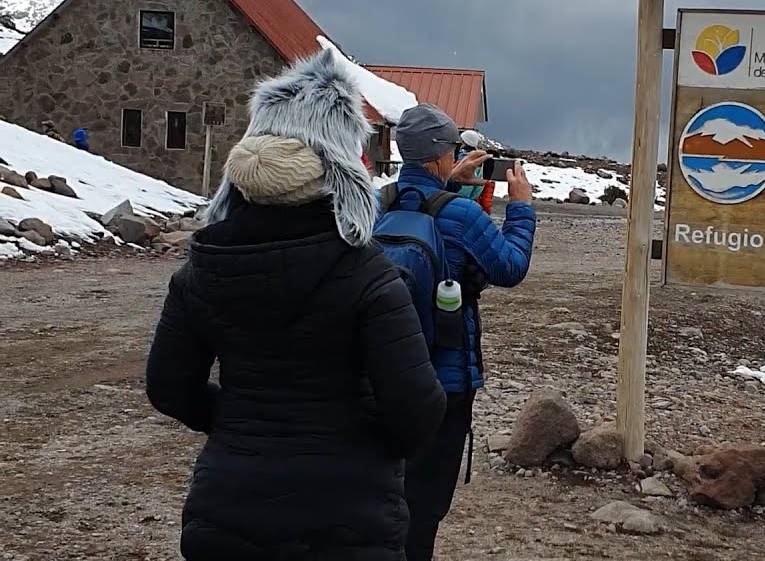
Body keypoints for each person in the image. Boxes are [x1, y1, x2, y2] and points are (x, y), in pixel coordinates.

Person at [144, 48, 448, 561]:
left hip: (228, 510)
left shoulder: (202, 269)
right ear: (341, 170)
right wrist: (363, 443)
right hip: (349, 517)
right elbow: (417, 410)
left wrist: (239, 422)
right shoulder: (369, 275)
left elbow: (169, 387)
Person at [383, 103, 536, 560]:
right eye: (451, 149)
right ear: (437, 157)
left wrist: (446, 184)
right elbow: (510, 268)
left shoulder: (376, 203)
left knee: (382, 488)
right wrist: (522, 209)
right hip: (444, 379)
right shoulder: (462, 217)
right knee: (425, 501)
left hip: (379, 369)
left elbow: (419, 204)